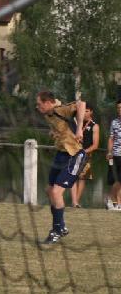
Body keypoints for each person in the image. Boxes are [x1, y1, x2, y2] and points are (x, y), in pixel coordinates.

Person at [35, 91, 85, 244]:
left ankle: (56, 231)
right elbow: (60, 126)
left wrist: (79, 128)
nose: (37, 107)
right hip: (61, 154)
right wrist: (54, 132)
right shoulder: (48, 114)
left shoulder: (60, 109)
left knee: (56, 192)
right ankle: (61, 227)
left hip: (75, 155)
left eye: (39, 104)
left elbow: (81, 104)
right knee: (49, 190)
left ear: (48, 103)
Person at [70, 102, 99, 208]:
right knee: (72, 176)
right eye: (83, 111)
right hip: (73, 153)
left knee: (82, 178)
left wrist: (83, 152)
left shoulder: (94, 126)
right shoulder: (77, 124)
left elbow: (95, 145)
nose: (84, 113)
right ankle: (74, 201)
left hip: (86, 155)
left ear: (91, 112)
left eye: (86, 111)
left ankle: (76, 202)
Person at [106, 100, 121, 210]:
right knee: (118, 180)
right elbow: (111, 138)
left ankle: (116, 202)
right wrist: (109, 152)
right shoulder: (114, 122)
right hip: (116, 154)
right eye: (118, 108)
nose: (120, 110)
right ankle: (112, 199)